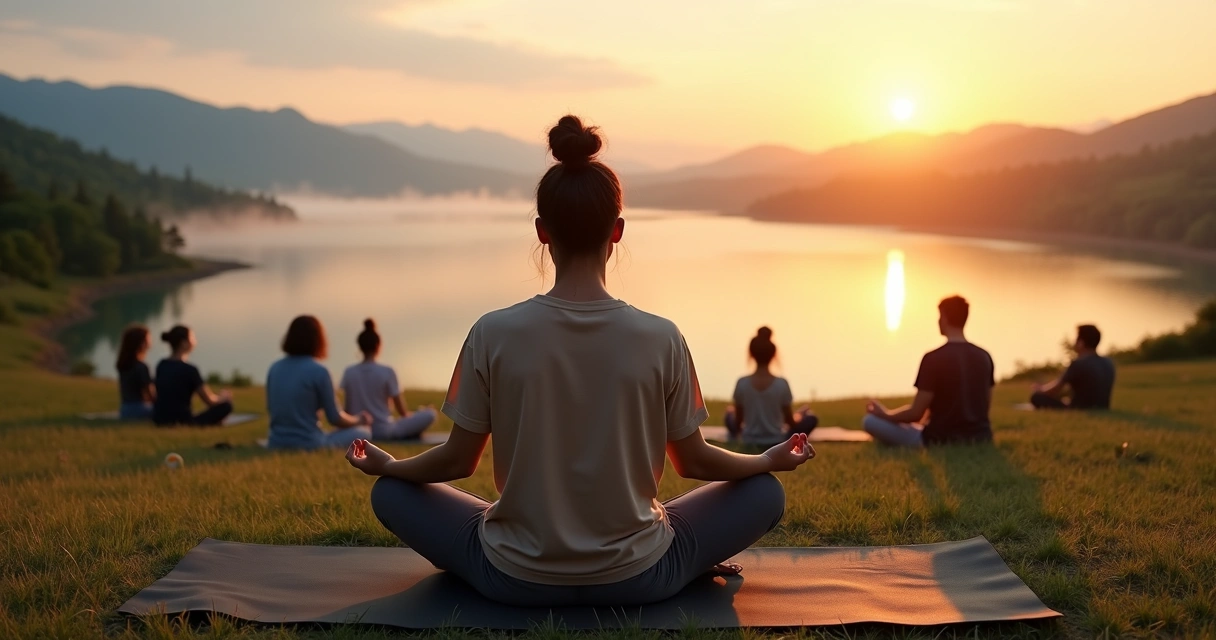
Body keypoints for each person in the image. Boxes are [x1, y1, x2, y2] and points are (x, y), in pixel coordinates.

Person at [345, 115, 815, 608]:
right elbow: (692, 460)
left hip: (512, 577)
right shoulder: (662, 337)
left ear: (542, 232)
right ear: (618, 231)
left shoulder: (492, 332)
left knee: (389, 492)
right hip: (640, 576)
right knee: (766, 493)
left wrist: (390, 466)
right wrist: (767, 460)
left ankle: (513, 545)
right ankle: (678, 559)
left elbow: (458, 461)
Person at [863, 295, 994, 447]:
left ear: (944, 319)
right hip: (980, 437)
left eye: (940, 316)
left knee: (870, 421)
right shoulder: (984, 356)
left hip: (938, 439)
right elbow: (984, 406)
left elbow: (916, 413)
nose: (938, 321)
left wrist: (885, 414)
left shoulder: (933, 358)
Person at [265, 315, 372, 450]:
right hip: (309, 442)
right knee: (364, 432)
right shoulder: (319, 371)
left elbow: (271, 408)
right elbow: (335, 418)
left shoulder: (275, 368)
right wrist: (359, 420)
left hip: (275, 441)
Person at [340, 319, 436, 441]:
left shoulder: (349, 372)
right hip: (384, 431)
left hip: (358, 430)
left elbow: (347, 409)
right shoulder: (387, 371)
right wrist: (417, 415)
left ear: (360, 347)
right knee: (430, 414)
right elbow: (402, 412)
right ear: (378, 346)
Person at [724, 326, 817, 446]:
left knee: (728, 414)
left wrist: (731, 413)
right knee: (811, 418)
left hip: (749, 439)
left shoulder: (742, 383)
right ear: (773, 355)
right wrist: (800, 415)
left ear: (751, 353)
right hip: (777, 440)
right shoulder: (781, 384)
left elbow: (738, 423)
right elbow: (790, 423)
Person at [152, 325, 234, 426]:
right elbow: (209, 400)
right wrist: (223, 397)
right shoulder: (190, 370)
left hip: (159, 419)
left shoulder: (161, 365)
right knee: (227, 406)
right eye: (192, 338)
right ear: (184, 343)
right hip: (183, 421)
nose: (195, 341)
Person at [1030, 324, 1116, 410]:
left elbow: (1055, 389)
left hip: (1079, 408)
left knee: (1037, 397)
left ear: (1081, 343)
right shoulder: (1108, 362)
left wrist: (1040, 389)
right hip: (1102, 406)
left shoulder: (1079, 363)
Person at [115, 324, 155, 420]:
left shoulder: (123, 364)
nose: (151, 341)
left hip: (125, 410)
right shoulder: (141, 366)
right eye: (148, 339)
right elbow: (150, 395)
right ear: (142, 343)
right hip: (140, 410)